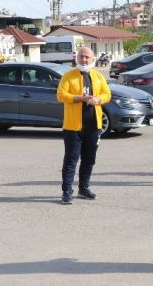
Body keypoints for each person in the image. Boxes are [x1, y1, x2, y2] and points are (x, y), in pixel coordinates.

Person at [57, 46, 111, 205]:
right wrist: (79, 98)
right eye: (81, 56)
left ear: (93, 58)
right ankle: (67, 191)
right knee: (71, 160)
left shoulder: (98, 76)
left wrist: (98, 99)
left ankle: (83, 188)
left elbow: (107, 94)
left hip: (94, 126)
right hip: (73, 127)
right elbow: (60, 95)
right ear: (76, 57)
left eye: (87, 57)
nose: (84, 60)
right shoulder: (69, 76)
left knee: (89, 159)